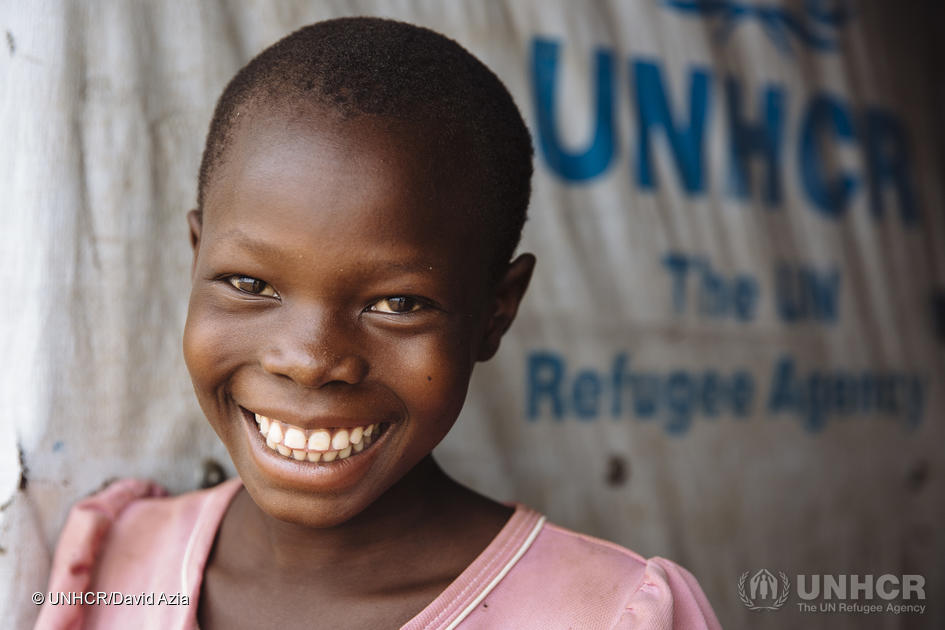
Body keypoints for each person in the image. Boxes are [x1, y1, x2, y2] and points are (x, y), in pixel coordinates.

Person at [36, 17, 721, 630]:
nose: (308, 360)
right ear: (194, 261)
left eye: (396, 303)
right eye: (250, 285)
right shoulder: (114, 568)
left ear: (495, 312)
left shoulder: (607, 615)